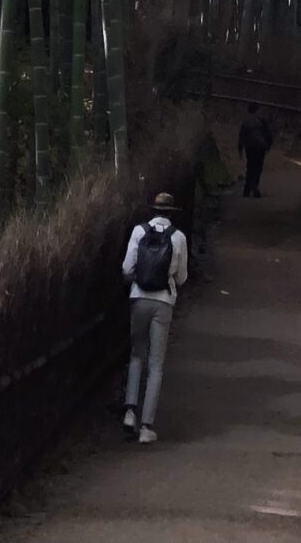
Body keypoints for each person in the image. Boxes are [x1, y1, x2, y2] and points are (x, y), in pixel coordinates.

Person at [121, 190, 189, 445]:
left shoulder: (139, 232)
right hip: (163, 302)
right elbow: (182, 277)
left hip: (138, 297)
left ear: (154, 210)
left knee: (137, 354)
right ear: (171, 212)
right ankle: (147, 426)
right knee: (156, 363)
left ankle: (129, 412)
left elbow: (127, 268)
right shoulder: (179, 237)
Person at [237, 108, 272, 198]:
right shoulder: (262, 120)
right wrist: (268, 145)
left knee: (250, 166)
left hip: (250, 146)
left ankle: (247, 189)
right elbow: (268, 133)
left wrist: (240, 149)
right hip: (260, 146)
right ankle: (254, 185)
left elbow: (242, 135)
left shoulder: (246, 121)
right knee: (258, 167)